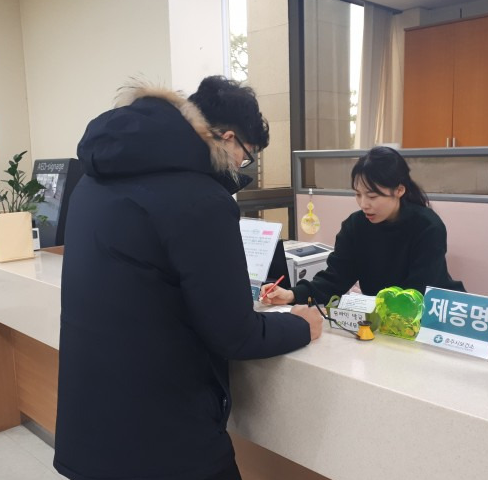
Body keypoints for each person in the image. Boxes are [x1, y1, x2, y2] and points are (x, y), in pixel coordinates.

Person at [54, 76, 323, 480]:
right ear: (228, 138)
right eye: (246, 156)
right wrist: (301, 325)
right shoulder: (199, 198)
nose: (241, 167)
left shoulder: (94, 180)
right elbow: (235, 334)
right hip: (164, 434)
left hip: (91, 422)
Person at [262, 146, 464, 306]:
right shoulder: (355, 226)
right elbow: (334, 280)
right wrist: (291, 294)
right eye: (358, 195)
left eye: (372, 196)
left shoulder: (427, 226)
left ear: (399, 190)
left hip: (431, 315)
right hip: (385, 319)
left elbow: (417, 293)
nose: (364, 204)